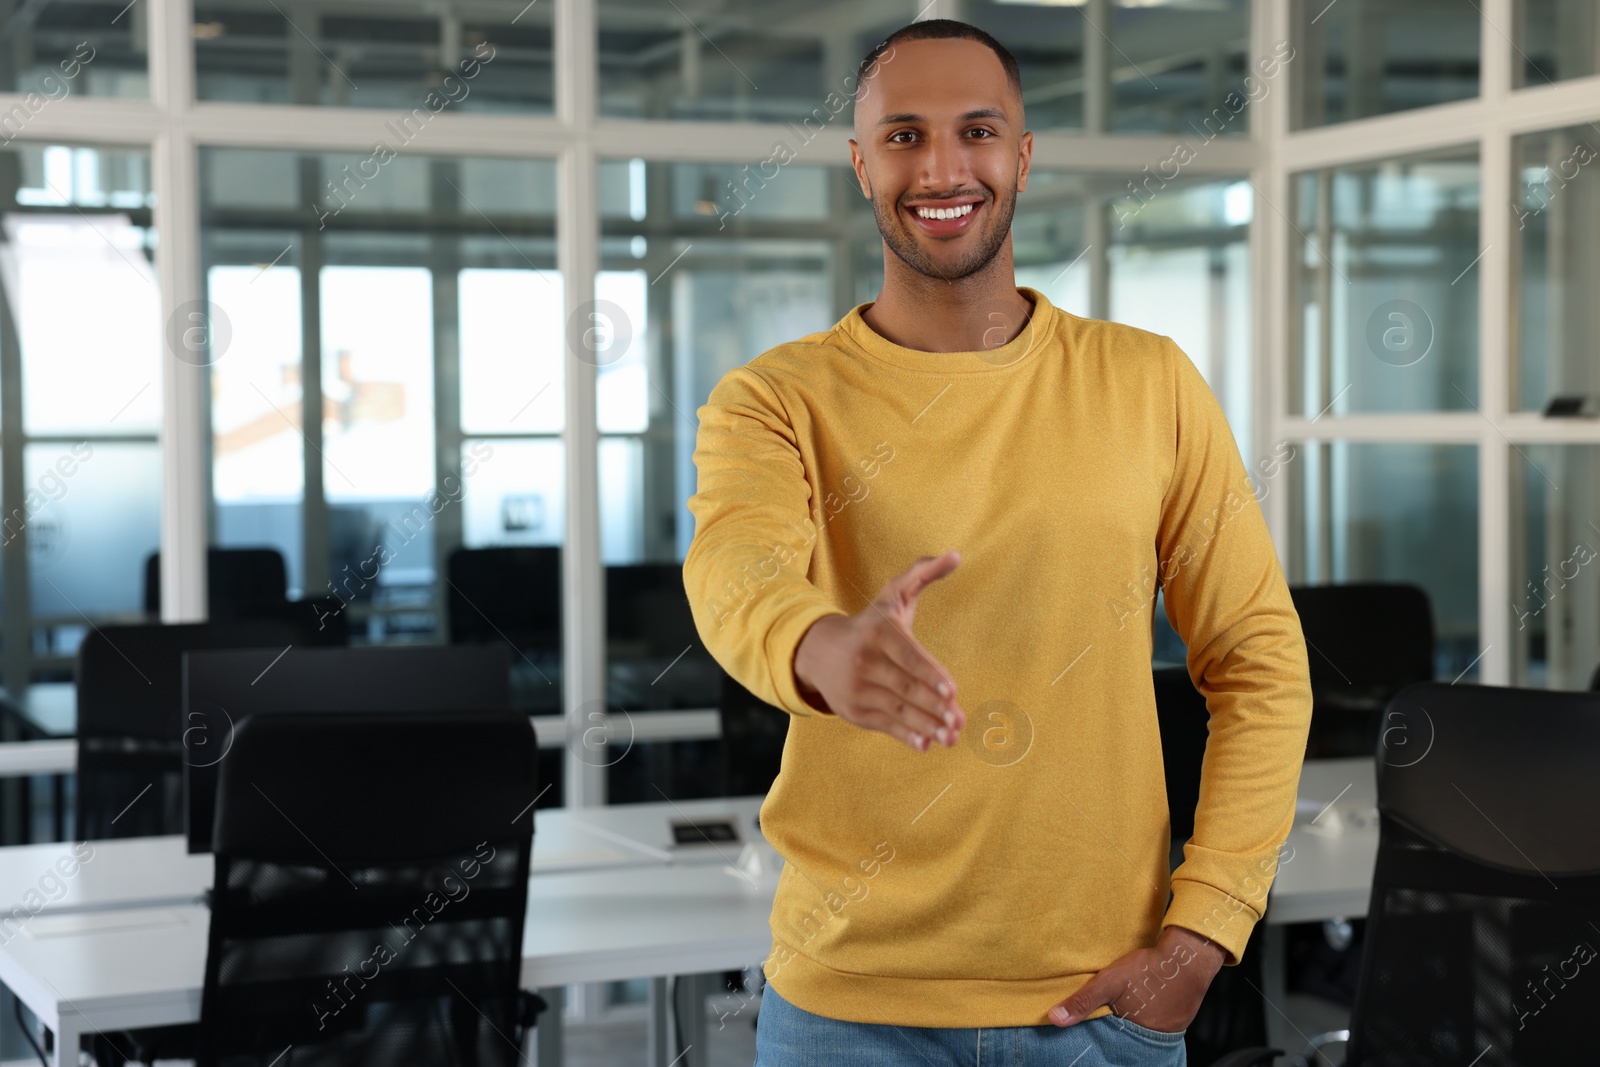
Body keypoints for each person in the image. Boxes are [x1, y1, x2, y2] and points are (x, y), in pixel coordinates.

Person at [682, 18, 1312, 1066]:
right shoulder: (774, 398)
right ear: (858, 163)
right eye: (902, 135)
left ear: (1021, 156)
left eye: (976, 131)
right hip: (847, 1011)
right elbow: (733, 568)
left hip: (1100, 1014)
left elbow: (1259, 660)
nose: (940, 167)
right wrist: (817, 645)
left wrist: (1203, 932)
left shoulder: (1147, 382)